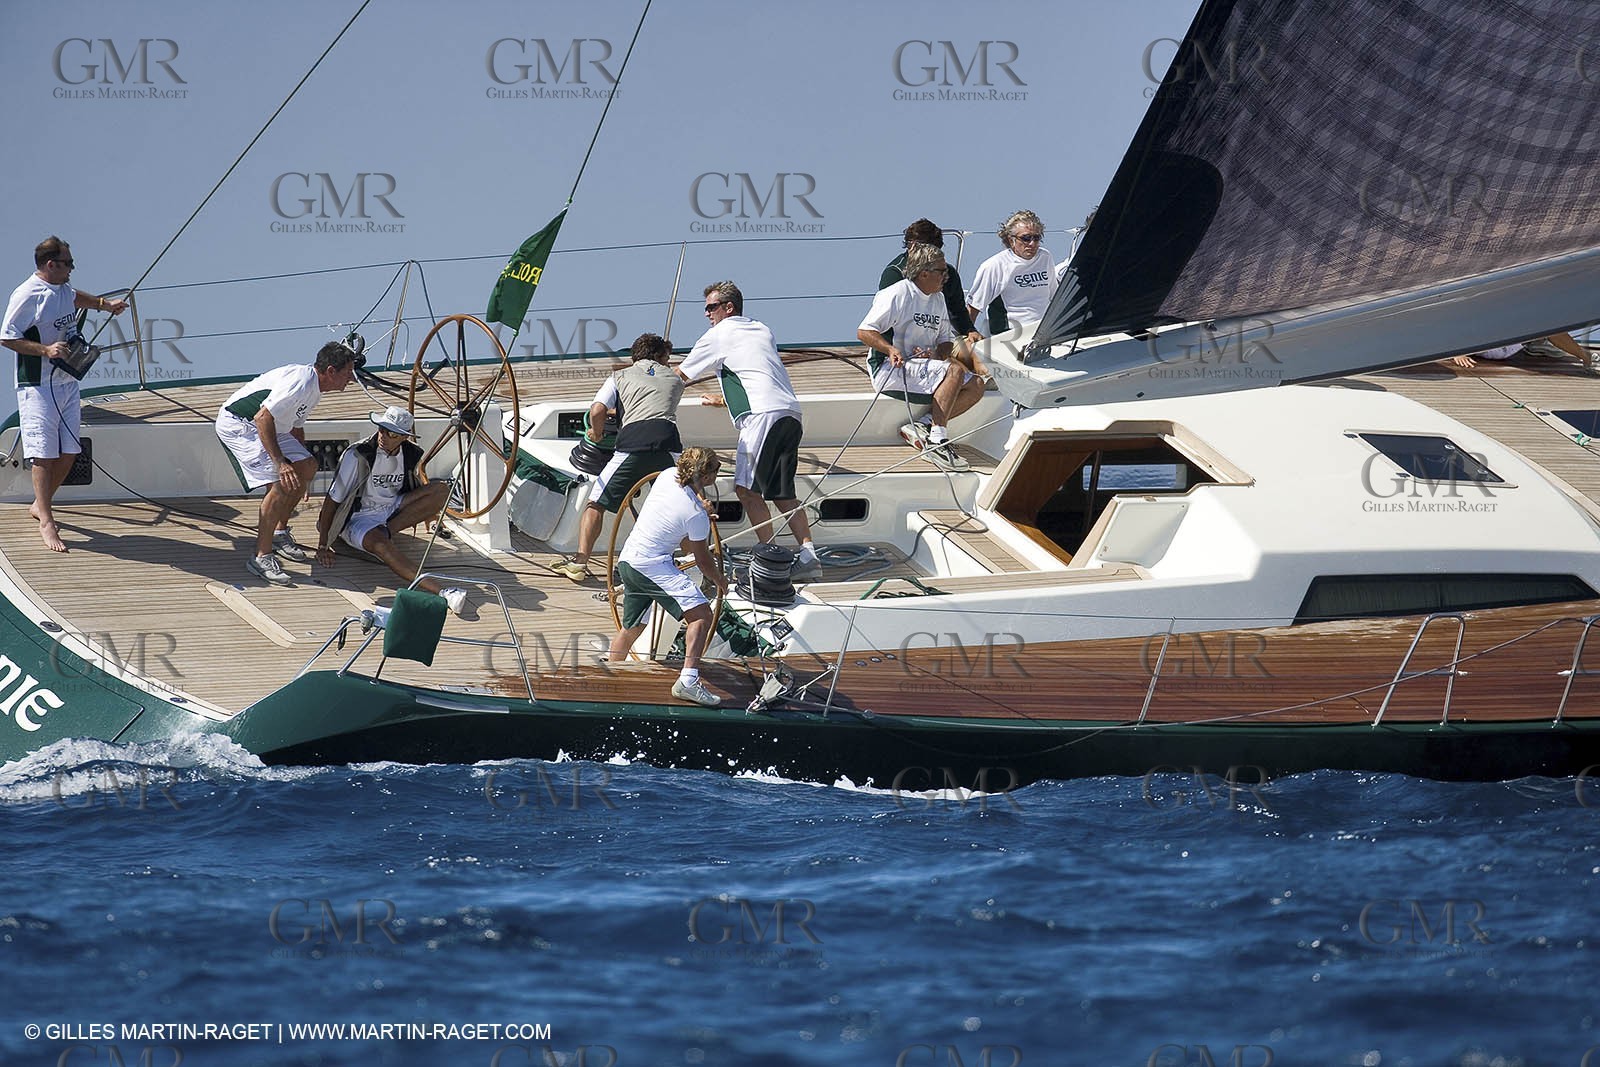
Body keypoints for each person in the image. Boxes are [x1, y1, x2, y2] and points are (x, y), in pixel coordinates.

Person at [1, 237, 128, 553]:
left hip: (67, 382)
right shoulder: (27, 294)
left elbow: (73, 298)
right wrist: (45, 349)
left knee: (70, 451)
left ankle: (39, 504)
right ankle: (46, 518)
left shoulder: (62, 288)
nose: (72, 268)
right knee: (43, 454)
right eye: (68, 263)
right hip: (38, 386)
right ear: (50, 265)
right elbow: (6, 337)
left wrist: (105, 305)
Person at [677, 281, 818, 567]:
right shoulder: (761, 329)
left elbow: (679, 376)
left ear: (728, 307)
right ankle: (809, 556)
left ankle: (769, 559)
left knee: (747, 490)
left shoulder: (718, 334)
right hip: (790, 414)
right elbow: (755, 372)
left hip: (761, 418)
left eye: (711, 308)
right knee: (782, 492)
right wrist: (725, 400)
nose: (707, 314)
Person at [215, 341, 358, 585]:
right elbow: (262, 417)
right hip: (242, 424)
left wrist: (303, 473)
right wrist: (281, 463)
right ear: (331, 371)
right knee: (279, 483)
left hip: (271, 427)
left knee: (308, 467)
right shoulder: (301, 382)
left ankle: (279, 532)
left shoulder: (315, 388)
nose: (351, 379)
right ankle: (261, 556)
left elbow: (295, 428)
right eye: (348, 372)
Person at [552, 333, 687, 583]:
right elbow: (656, 395)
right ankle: (693, 564)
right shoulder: (676, 380)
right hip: (669, 445)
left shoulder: (619, 376)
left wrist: (597, 431)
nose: (667, 363)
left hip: (633, 444)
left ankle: (579, 563)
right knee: (684, 506)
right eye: (666, 358)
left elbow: (598, 410)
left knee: (596, 504)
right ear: (659, 356)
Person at [312, 405, 466, 615]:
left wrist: (429, 512)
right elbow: (332, 500)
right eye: (381, 428)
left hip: (391, 507)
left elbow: (414, 484)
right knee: (380, 545)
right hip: (357, 516)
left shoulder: (411, 453)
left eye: (390, 433)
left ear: (403, 437)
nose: (383, 435)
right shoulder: (357, 455)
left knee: (441, 490)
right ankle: (443, 591)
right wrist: (323, 543)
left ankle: (386, 531)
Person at [608, 447, 731, 707]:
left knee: (633, 627)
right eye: (716, 470)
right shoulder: (696, 515)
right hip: (652, 567)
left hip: (629, 560)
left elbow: (684, 511)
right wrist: (720, 580)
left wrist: (700, 507)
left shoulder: (666, 475)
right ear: (707, 476)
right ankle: (687, 681)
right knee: (701, 615)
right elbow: (698, 556)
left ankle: (609, 675)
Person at [858, 243, 987, 471]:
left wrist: (937, 354)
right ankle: (937, 440)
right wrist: (890, 349)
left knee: (977, 384)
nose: (946, 277)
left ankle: (924, 425)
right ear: (924, 273)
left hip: (923, 367)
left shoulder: (937, 299)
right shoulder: (897, 293)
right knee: (954, 370)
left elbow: (945, 341)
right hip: (890, 369)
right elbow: (864, 331)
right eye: (942, 271)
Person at [877, 218, 980, 347]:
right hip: (901, 349)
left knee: (977, 352)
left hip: (938, 341)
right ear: (912, 246)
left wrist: (970, 330)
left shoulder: (948, 273)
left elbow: (957, 310)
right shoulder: (895, 274)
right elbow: (881, 324)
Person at [965, 209, 1059, 338]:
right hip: (1010, 335)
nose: (1032, 243)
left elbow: (1055, 296)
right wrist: (965, 338)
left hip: (1044, 331)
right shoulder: (994, 266)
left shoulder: (1045, 257)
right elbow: (973, 307)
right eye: (1025, 238)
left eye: (1036, 238)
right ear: (1011, 240)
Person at [1444, 332, 1593, 369]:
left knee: (1547, 324)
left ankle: (1536, 342)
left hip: (1506, 342)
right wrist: (1458, 351)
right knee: (1546, 324)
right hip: (1491, 349)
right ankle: (1536, 341)